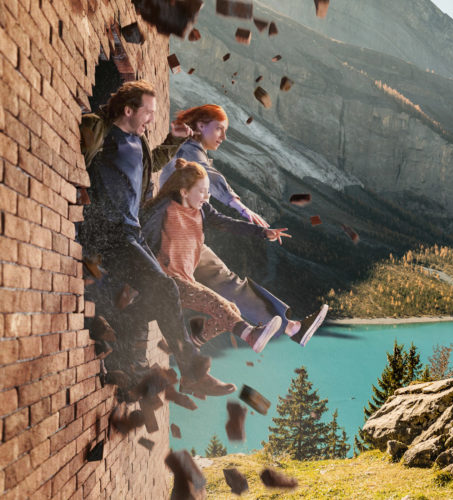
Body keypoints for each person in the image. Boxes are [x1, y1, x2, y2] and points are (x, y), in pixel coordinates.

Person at [78, 80, 234, 397]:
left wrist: (172, 142)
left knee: (152, 297)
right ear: (127, 110)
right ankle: (191, 372)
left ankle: (130, 365)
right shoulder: (104, 134)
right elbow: (84, 140)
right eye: (148, 112)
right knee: (164, 287)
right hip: (108, 231)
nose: (151, 117)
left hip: (130, 231)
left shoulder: (139, 144)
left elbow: (149, 167)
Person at [161, 104, 327, 346]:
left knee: (228, 284)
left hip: (186, 240)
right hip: (171, 240)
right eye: (219, 129)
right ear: (200, 126)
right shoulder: (188, 150)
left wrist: (261, 232)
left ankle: (291, 327)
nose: (224, 137)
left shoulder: (193, 153)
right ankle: (203, 337)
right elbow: (210, 176)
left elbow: (216, 217)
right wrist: (239, 205)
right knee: (224, 287)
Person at [142, 159, 285, 352]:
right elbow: (142, 237)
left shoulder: (202, 211)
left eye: (208, 191)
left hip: (186, 281)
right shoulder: (164, 209)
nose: (206, 196)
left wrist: (262, 232)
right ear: (184, 191)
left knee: (231, 308)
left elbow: (228, 223)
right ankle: (250, 335)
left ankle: (192, 343)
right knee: (218, 304)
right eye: (202, 191)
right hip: (166, 281)